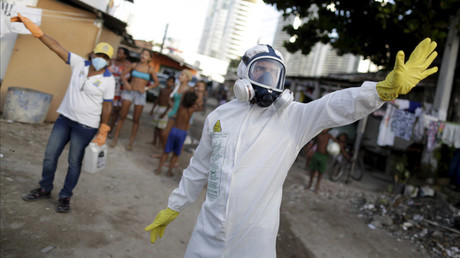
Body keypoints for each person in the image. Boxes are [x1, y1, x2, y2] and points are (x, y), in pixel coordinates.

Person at [145, 40, 438, 257]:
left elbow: (333, 106)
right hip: (207, 234)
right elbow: (198, 168)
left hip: (253, 242)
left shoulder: (293, 118)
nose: (268, 81)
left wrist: (380, 90)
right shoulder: (218, 117)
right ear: (244, 73)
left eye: (274, 74)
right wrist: (175, 205)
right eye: (261, 71)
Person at [12, 14, 115, 213]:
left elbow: (108, 106)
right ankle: (44, 188)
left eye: (105, 57)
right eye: (98, 55)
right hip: (65, 119)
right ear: (92, 54)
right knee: (50, 155)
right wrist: (38, 32)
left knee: (74, 162)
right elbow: (56, 46)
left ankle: (65, 197)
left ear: (108, 61)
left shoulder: (109, 80)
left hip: (86, 126)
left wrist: (104, 128)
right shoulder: (79, 64)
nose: (100, 59)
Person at [109, 49, 159, 150]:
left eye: (146, 54)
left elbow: (156, 83)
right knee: (122, 116)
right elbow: (122, 75)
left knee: (136, 120)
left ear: (149, 58)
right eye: (142, 54)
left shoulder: (150, 69)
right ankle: (115, 139)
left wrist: (146, 88)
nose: (143, 56)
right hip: (129, 92)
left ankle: (131, 143)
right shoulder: (134, 65)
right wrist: (126, 83)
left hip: (140, 95)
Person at [155, 91, 199, 177]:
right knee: (176, 154)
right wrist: (196, 103)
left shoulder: (180, 107)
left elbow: (181, 100)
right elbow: (200, 107)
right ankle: (169, 171)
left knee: (166, 152)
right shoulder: (191, 110)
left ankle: (158, 169)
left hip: (174, 130)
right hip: (182, 133)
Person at [160, 69, 193, 150]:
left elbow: (189, 105)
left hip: (180, 115)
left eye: (182, 75)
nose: (179, 76)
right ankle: (166, 153)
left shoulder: (189, 89)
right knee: (165, 134)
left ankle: (170, 156)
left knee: (176, 137)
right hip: (173, 112)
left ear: (187, 78)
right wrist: (171, 103)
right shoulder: (177, 86)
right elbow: (173, 100)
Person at [108, 47, 131, 134]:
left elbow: (129, 78)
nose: (118, 55)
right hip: (109, 87)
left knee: (116, 110)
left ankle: (111, 128)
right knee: (107, 108)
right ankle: (103, 126)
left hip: (120, 90)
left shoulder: (128, 65)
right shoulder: (112, 61)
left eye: (121, 53)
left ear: (125, 56)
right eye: (118, 52)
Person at [149, 76, 175, 147]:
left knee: (161, 128)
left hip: (165, 110)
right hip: (158, 108)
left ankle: (161, 144)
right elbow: (157, 99)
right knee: (156, 127)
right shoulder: (162, 90)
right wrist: (152, 109)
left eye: (171, 82)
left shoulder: (172, 92)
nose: (169, 83)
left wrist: (165, 113)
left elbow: (170, 104)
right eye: (168, 81)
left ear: (173, 84)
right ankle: (154, 141)